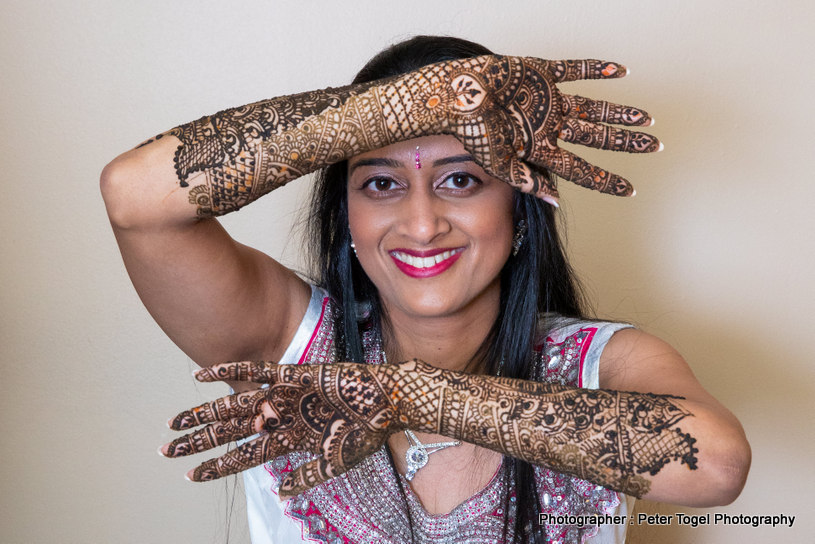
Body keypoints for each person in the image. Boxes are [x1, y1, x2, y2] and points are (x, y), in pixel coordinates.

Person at [101, 36, 750, 544]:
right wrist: (404, 105)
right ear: (346, 217)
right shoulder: (284, 340)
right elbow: (133, 196)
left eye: (460, 180)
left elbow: (715, 465)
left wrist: (399, 395)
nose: (419, 224)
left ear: (520, 210)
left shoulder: (600, 363)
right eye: (380, 183)